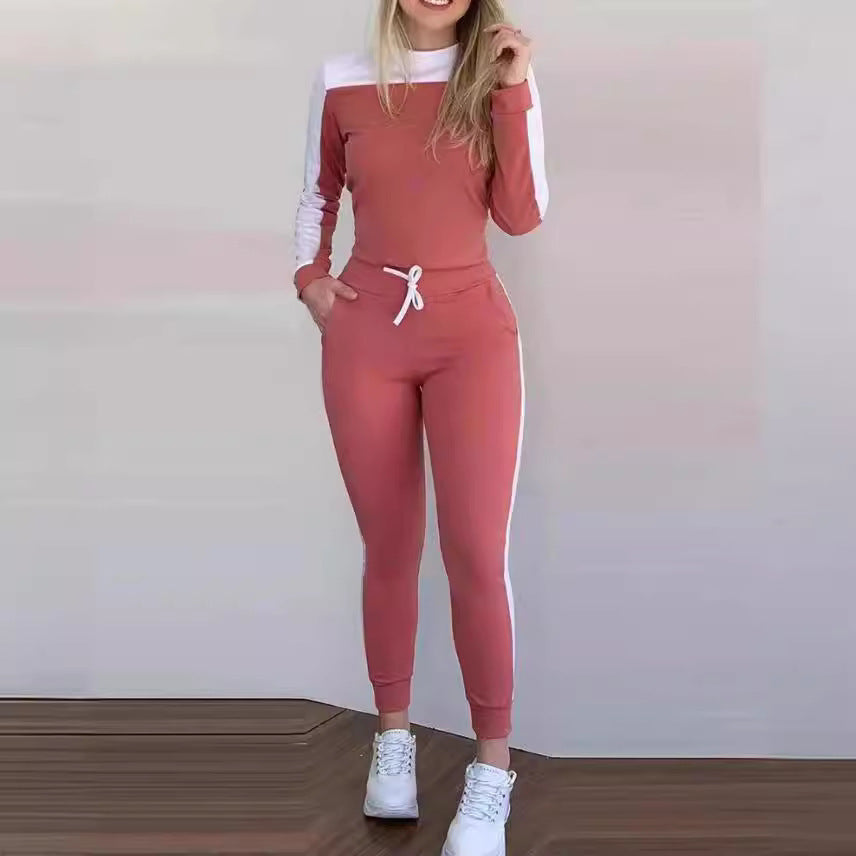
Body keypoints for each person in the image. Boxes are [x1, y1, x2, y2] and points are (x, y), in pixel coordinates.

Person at [293, 0, 547, 852]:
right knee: (390, 546)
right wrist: (309, 278)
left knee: (475, 551)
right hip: (368, 331)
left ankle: (491, 772)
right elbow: (317, 191)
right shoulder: (342, 80)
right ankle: (393, 743)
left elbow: (522, 213)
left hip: (471, 333)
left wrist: (512, 91)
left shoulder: (499, 77)